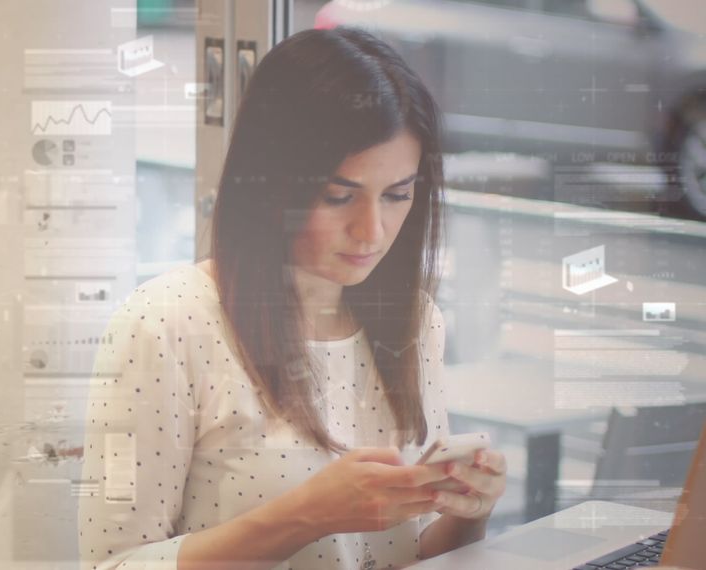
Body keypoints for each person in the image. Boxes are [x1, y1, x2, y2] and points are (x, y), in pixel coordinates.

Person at [78, 27, 507, 570]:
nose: (372, 230)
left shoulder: (414, 320)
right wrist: (305, 515)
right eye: (338, 196)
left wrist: (468, 511)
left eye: (398, 195)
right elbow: (110, 565)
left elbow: (404, 552)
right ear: (272, 182)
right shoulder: (166, 323)